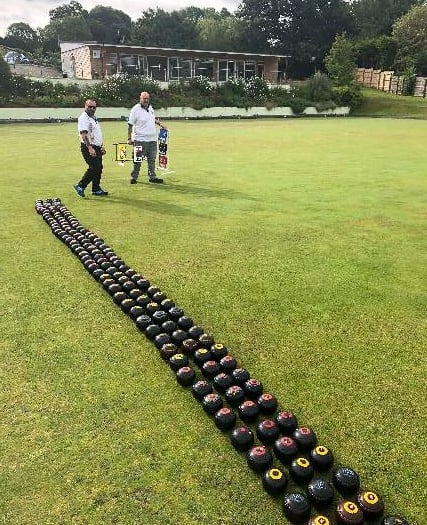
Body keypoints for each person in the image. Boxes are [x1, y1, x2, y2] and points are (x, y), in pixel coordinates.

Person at [127, 91, 167, 184]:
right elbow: (129, 125)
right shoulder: (135, 110)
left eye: (147, 98)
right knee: (137, 160)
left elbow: (152, 119)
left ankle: (152, 177)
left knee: (152, 160)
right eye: (144, 98)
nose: (145, 100)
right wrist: (129, 138)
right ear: (140, 98)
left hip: (152, 140)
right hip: (140, 139)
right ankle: (134, 177)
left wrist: (160, 124)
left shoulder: (150, 107)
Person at [73, 99, 108, 197]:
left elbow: (96, 134)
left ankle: (96, 189)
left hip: (97, 147)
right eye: (90, 107)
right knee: (94, 167)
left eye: (94, 107)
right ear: (85, 106)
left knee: (99, 168)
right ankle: (80, 185)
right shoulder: (83, 118)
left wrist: (101, 146)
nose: (92, 109)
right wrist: (90, 148)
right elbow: (84, 135)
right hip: (88, 147)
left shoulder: (93, 117)